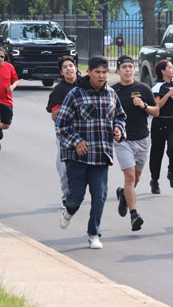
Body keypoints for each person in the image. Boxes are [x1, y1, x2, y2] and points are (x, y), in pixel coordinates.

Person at [55, 56, 126, 249]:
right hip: (77, 156)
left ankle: (93, 233)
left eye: (104, 72)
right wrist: (76, 141)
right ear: (89, 72)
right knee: (76, 197)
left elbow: (120, 116)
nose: (102, 76)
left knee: (100, 195)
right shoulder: (75, 94)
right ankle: (69, 211)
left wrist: (119, 129)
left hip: (101, 155)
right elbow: (61, 125)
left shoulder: (111, 94)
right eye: (98, 72)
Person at [112, 55, 159, 231]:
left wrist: (144, 106)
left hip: (142, 139)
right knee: (130, 176)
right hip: (123, 140)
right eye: (124, 67)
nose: (128, 70)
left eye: (130, 67)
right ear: (117, 70)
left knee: (136, 178)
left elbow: (156, 112)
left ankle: (123, 195)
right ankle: (134, 215)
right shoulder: (112, 91)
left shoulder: (143, 88)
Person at [46, 56, 79, 208]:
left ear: (76, 67)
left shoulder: (86, 84)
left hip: (86, 132)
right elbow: (54, 115)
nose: (69, 69)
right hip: (65, 133)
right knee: (65, 168)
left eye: (71, 66)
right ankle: (66, 196)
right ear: (61, 72)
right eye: (65, 67)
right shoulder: (59, 90)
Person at [149, 59, 173, 194]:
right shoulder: (158, 86)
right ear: (163, 71)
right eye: (170, 68)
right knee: (157, 153)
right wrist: (168, 94)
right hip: (159, 123)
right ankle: (154, 180)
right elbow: (157, 106)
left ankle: (171, 171)